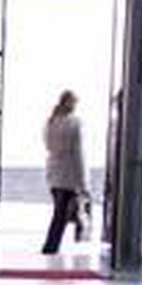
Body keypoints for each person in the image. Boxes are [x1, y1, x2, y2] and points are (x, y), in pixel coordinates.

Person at [42, 89, 88, 255]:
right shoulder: (74, 123)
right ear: (70, 103)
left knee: (60, 212)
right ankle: (50, 247)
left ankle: (52, 246)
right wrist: (83, 183)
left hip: (53, 174)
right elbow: (78, 154)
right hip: (69, 175)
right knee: (62, 214)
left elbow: (48, 146)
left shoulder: (51, 122)